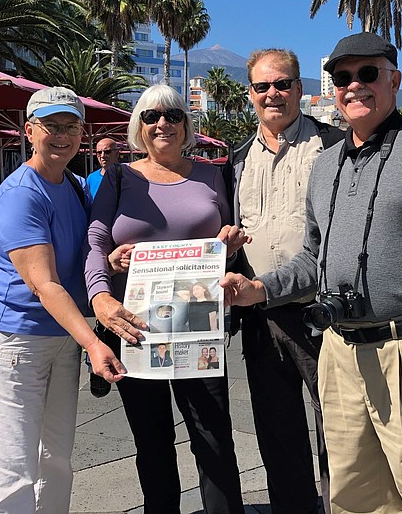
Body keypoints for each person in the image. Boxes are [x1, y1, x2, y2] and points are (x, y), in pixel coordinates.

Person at [221, 33, 402, 514]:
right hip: (340, 353)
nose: (354, 86)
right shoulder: (326, 167)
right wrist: (258, 289)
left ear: (394, 80)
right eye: (343, 77)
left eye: (368, 74)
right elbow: (311, 262)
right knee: (352, 496)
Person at [85, 84, 247, 514]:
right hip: (135, 327)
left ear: (186, 124)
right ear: (139, 126)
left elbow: (231, 233)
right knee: (152, 441)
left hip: (199, 327)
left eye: (173, 115)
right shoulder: (120, 177)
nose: (163, 124)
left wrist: (229, 241)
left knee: (213, 438)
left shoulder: (213, 174)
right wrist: (101, 291)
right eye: (152, 116)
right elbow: (96, 240)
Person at [0, 86, 125, 514]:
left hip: (61, 338)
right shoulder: (22, 193)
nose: (62, 136)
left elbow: (78, 255)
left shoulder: (76, 186)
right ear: (29, 131)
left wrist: (113, 259)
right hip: (14, 341)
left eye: (71, 126)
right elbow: (45, 284)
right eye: (51, 126)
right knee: (11, 469)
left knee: (55, 460)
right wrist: (94, 343)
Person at [223, 47, 344, 514]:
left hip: (324, 315)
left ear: (300, 89)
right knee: (277, 431)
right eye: (261, 86)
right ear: (250, 94)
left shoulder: (336, 145)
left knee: (338, 428)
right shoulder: (235, 163)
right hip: (260, 315)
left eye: (282, 84)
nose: (272, 94)